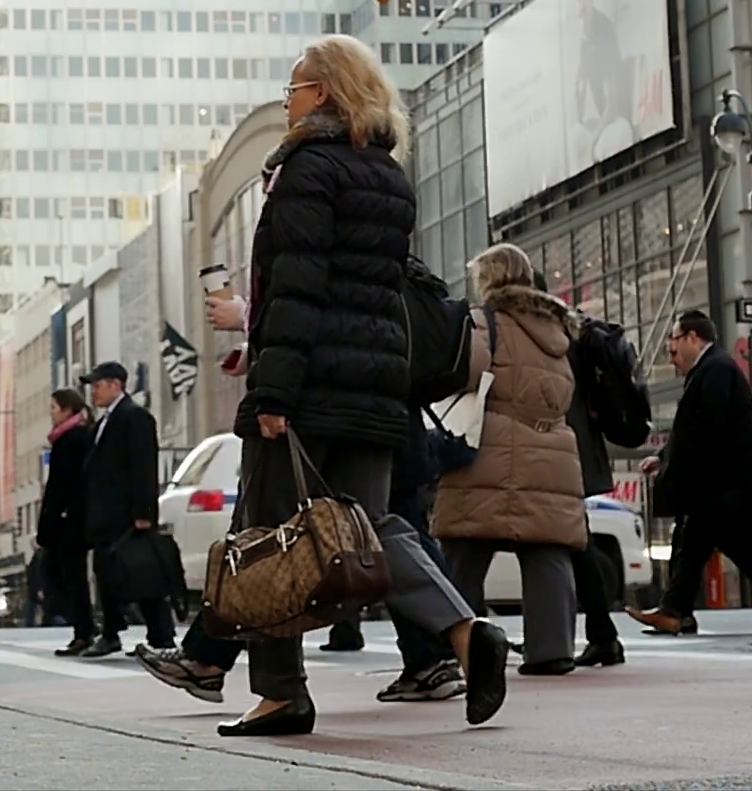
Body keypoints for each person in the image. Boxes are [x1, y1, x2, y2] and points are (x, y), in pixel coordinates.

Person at [138, 37, 508, 735]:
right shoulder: (387, 174)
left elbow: (298, 289)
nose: (287, 100)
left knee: (267, 534)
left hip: (309, 390)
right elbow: (364, 290)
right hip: (374, 388)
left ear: (325, 93)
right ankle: (464, 631)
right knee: (372, 528)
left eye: (295, 86)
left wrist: (272, 390)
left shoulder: (306, 169)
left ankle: (281, 693)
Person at [435, 245, 588, 677]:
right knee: (547, 552)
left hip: (490, 449)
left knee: (463, 550)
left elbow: (464, 375)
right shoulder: (557, 331)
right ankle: (552, 650)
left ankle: (454, 649)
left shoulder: (483, 323)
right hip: (550, 451)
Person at [628, 311, 752, 635]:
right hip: (719, 484)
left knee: (741, 548)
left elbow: (706, 425)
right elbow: (695, 427)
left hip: (723, 483)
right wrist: (665, 457)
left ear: (691, 337)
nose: (672, 351)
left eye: (674, 340)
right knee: (703, 545)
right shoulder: (711, 368)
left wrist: (675, 462)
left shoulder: (716, 368)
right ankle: (675, 611)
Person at [77, 361, 173, 659]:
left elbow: (144, 467)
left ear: (116, 384)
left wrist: (144, 512)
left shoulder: (134, 417)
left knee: (141, 572)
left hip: (127, 514)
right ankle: (112, 632)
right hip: (107, 514)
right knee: (110, 572)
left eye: (98, 385)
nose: (93, 391)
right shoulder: (105, 420)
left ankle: (160, 635)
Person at [39, 387, 96, 655]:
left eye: (54, 408)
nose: (51, 414)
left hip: (71, 518)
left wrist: (53, 517)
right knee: (73, 575)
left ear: (67, 409)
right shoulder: (76, 437)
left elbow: (62, 486)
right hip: (74, 516)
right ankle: (86, 628)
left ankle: (84, 630)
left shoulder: (71, 440)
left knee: (73, 576)